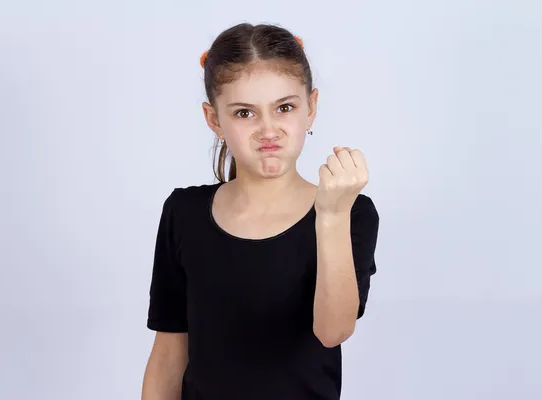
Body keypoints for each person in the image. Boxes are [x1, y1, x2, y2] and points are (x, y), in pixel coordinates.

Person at [141, 22, 380, 400]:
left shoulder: (351, 212)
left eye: (284, 108)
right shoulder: (182, 213)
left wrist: (332, 215)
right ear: (214, 119)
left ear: (311, 108)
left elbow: (332, 331)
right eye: (244, 113)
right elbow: (169, 353)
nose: (269, 130)